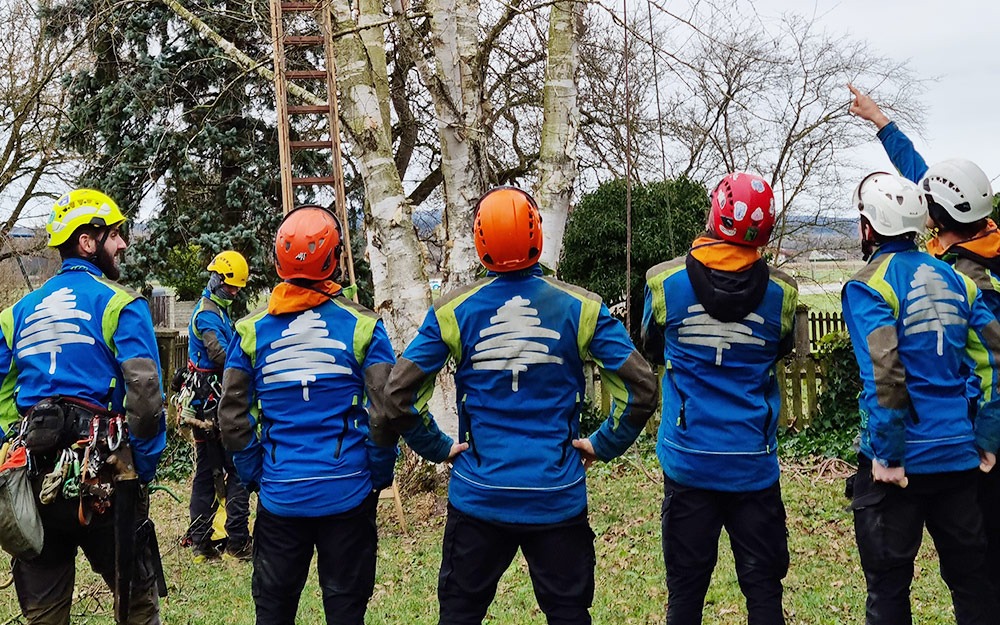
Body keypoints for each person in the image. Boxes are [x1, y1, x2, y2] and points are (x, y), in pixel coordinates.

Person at [382, 186, 658, 625]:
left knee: (459, 613)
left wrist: (437, 447)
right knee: (568, 614)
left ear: (480, 243)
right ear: (537, 234)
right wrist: (602, 444)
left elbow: (399, 394)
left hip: (478, 496)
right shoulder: (581, 307)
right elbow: (641, 386)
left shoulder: (452, 310)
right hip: (557, 496)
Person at [848, 83, 1000, 596]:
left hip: (974, 434)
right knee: (974, 574)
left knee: (981, 569)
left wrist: (987, 438)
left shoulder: (969, 277)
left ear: (937, 218)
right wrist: (880, 121)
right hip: (971, 433)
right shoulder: (985, 239)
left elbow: (988, 361)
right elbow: (926, 184)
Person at [218, 205, 397, 625]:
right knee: (346, 611)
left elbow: (231, 414)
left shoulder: (249, 330)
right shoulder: (365, 326)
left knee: (274, 612)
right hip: (349, 494)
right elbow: (385, 412)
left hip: (281, 498)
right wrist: (378, 473)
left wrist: (255, 473)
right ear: (334, 259)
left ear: (278, 260)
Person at [0, 188, 167, 624]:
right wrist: (141, 469)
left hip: (36, 477)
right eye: (114, 234)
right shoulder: (120, 304)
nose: (123, 243)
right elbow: (146, 400)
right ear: (88, 241)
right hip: (108, 480)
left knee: (44, 613)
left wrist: (10, 442)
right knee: (136, 603)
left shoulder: (15, 313)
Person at [641, 173, 798, 625]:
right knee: (764, 591)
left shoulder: (663, 282)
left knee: (686, 595)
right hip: (753, 463)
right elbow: (780, 347)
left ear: (714, 212)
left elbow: (652, 345)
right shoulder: (782, 293)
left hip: (689, 464)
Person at [181, 250, 252, 562]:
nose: (234, 293)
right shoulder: (207, 315)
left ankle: (209, 539)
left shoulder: (218, 311)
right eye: (231, 287)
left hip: (215, 402)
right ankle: (225, 541)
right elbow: (220, 355)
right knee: (222, 471)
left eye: (238, 289)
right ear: (217, 280)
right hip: (209, 407)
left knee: (219, 471)